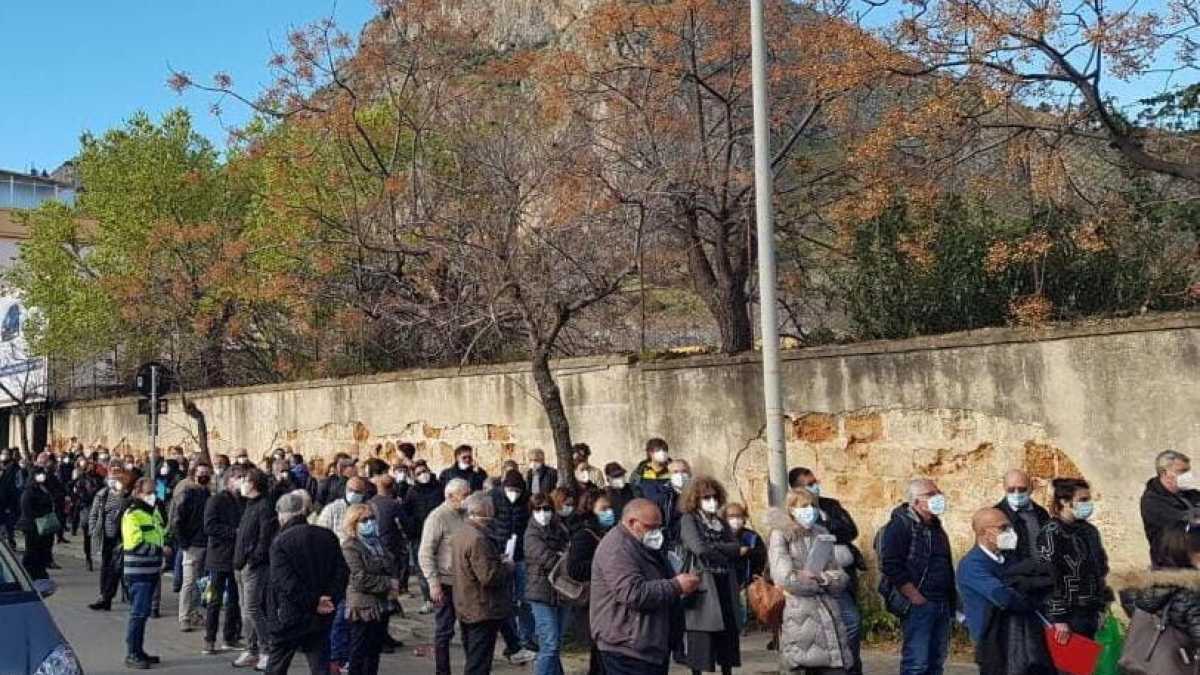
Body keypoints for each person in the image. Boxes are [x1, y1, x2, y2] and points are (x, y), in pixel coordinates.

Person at [590, 498, 700, 674]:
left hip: (649, 645)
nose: (656, 533)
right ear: (633, 523)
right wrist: (676, 586)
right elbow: (633, 593)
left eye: (659, 527)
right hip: (626, 647)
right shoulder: (617, 548)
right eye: (651, 527)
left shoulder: (643, 545)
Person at [767, 487, 853, 674]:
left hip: (828, 611)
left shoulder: (821, 534)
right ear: (791, 509)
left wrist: (822, 579)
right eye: (804, 506)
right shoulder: (781, 535)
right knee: (805, 663)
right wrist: (817, 582)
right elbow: (785, 578)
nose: (810, 511)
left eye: (813, 506)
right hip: (799, 614)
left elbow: (839, 576)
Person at [957, 508, 1051, 675]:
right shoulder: (972, 565)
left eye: (1010, 527)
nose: (1011, 532)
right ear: (984, 532)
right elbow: (1004, 598)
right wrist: (1030, 599)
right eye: (1003, 528)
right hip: (993, 644)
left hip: (1018, 641)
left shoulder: (1008, 559)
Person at [265, 490, 349, 675]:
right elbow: (341, 572)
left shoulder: (281, 542)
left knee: (278, 663)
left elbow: (286, 582)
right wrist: (329, 598)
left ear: (283, 514)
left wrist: (313, 602)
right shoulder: (327, 536)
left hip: (290, 613)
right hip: (322, 612)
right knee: (319, 663)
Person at [790, 467, 864, 675]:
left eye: (815, 482)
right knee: (848, 623)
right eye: (809, 483)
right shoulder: (797, 513)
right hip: (819, 582)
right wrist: (828, 529)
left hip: (842, 575)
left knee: (850, 627)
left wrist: (827, 527)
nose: (815, 486)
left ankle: (852, 666)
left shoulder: (830, 505)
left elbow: (850, 530)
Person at [879, 478, 956, 675]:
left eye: (938, 492)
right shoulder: (900, 526)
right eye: (930, 494)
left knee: (936, 662)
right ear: (915, 502)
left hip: (941, 601)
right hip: (919, 602)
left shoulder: (936, 527)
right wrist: (914, 596)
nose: (937, 497)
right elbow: (891, 565)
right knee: (917, 662)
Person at [675, 476, 742, 675]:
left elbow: (736, 548)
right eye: (706, 497)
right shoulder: (689, 520)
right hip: (703, 583)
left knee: (728, 634)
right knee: (701, 637)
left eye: (714, 496)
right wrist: (723, 552)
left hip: (724, 582)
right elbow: (698, 548)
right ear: (696, 499)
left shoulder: (720, 521)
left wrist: (716, 547)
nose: (711, 501)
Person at [1038, 477, 1111, 644]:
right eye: (1082, 500)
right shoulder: (1051, 533)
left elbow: (1100, 568)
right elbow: (1049, 576)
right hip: (1069, 613)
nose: (1087, 504)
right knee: (1071, 667)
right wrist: (1059, 618)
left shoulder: (1089, 530)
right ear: (1064, 501)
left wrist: (1103, 603)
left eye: (1088, 499)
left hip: (1090, 609)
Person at [451, 492, 513, 674]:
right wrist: (507, 567)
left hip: (467, 604)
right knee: (478, 663)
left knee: (474, 657)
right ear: (483, 510)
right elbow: (488, 576)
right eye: (491, 509)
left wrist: (495, 560)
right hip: (482, 607)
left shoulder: (462, 533)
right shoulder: (478, 538)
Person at [1117, 524, 1200, 654]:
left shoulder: (1137, 586)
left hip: (1144, 661)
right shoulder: (1190, 596)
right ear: (1185, 556)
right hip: (1178, 665)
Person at [419, 478, 472, 675]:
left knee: (470, 629)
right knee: (444, 631)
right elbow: (425, 552)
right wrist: (433, 583)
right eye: (464, 496)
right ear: (450, 496)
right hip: (445, 581)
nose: (468, 499)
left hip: (465, 582)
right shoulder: (438, 517)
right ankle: (442, 671)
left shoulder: (466, 513)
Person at [341, 503, 396, 675]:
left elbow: (391, 565)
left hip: (382, 604)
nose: (370, 522)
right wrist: (388, 583)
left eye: (372, 518)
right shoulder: (350, 547)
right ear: (354, 523)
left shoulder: (378, 543)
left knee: (374, 652)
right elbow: (358, 578)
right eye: (364, 520)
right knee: (359, 652)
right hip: (363, 606)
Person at [566, 493, 616, 675]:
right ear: (591, 510)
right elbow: (575, 569)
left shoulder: (608, 532)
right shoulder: (584, 535)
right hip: (592, 602)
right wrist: (602, 565)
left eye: (610, 508)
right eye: (603, 509)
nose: (609, 513)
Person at [490, 470, 537, 662]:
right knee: (506, 601)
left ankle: (527, 637)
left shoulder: (526, 500)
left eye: (516, 490)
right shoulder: (494, 497)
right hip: (502, 555)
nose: (513, 493)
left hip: (521, 556)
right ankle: (513, 640)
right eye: (510, 489)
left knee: (524, 599)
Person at [233, 468, 277, 670]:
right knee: (245, 609)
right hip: (241, 564)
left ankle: (267, 650)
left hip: (254, 566)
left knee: (253, 607)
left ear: (254, 484)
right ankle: (251, 649)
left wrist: (253, 559)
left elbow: (264, 538)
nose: (242, 482)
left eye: (245, 479)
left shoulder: (264, 507)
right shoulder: (249, 505)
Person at [122, 477, 167, 669]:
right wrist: (160, 550)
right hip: (138, 570)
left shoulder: (152, 513)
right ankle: (132, 653)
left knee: (144, 613)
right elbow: (134, 543)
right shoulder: (132, 514)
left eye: (154, 492)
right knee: (138, 614)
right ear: (138, 493)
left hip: (151, 569)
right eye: (149, 493)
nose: (153, 496)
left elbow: (160, 534)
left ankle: (139, 650)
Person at [525, 492, 572, 675]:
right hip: (540, 593)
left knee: (556, 643)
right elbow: (550, 560)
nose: (542, 513)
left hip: (562, 592)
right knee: (549, 644)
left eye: (546, 508)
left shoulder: (559, 528)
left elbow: (569, 551)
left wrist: (565, 555)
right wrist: (563, 556)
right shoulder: (531, 535)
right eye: (538, 509)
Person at [203, 465, 245, 656]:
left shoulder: (243, 501)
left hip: (236, 557)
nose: (242, 481)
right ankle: (209, 639)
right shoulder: (216, 500)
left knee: (234, 600)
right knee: (214, 600)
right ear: (229, 480)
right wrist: (234, 533)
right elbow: (210, 526)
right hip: (219, 557)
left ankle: (230, 636)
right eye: (239, 477)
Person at [171, 461, 211, 633]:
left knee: (200, 582)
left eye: (206, 472)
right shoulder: (187, 494)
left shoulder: (207, 493)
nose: (204, 475)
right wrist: (184, 543)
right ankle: (184, 617)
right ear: (194, 473)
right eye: (201, 472)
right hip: (192, 544)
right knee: (188, 582)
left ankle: (194, 613)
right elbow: (177, 520)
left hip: (205, 542)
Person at [1142, 450, 1200, 568]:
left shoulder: (1190, 494)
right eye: (1182, 471)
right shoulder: (1152, 500)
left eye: (1188, 471)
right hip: (1171, 568)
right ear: (1164, 473)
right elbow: (1181, 520)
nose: (1187, 475)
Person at [401, 461, 443, 614]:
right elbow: (405, 513)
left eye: (424, 471)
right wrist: (411, 529)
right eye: (418, 473)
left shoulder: (439, 488)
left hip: (439, 534)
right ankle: (428, 599)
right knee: (422, 569)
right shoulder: (412, 492)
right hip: (419, 535)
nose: (423, 475)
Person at [89, 469, 131, 611]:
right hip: (107, 536)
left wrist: (122, 495)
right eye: (112, 479)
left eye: (118, 479)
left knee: (119, 568)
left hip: (124, 537)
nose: (115, 482)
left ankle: (110, 597)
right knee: (108, 567)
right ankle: (105, 597)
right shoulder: (103, 495)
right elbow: (94, 514)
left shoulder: (128, 496)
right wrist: (93, 530)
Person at [723, 502, 767, 630]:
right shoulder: (720, 536)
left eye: (739, 516)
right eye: (731, 516)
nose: (735, 520)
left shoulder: (752, 536)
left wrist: (748, 552)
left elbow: (761, 554)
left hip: (747, 579)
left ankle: (748, 624)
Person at [996, 469, 1050, 563]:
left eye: (1022, 489)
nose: (1016, 493)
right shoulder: (996, 515)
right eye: (1011, 489)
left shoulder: (1041, 514)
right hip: (1011, 575)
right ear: (1004, 488)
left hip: (1042, 573)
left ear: (1030, 488)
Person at [17, 462, 56, 581]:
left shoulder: (44, 488)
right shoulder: (29, 491)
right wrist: (39, 519)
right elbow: (27, 509)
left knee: (41, 550)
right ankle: (27, 573)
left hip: (44, 524)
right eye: (39, 475)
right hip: (33, 526)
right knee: (32, 551)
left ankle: (39, 571)